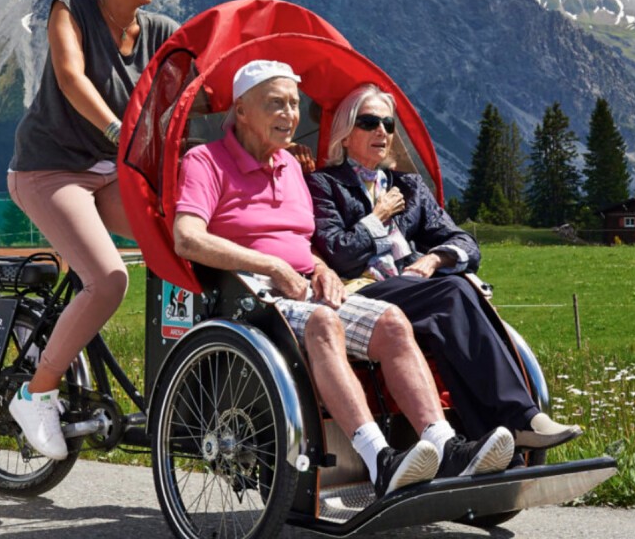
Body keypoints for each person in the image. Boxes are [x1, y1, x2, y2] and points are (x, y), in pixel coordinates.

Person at [172, 60, 515, 497]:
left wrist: (321, 268)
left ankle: (443, 445)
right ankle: (379, 460)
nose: (289, 115)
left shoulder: (293, 168)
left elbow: (305, 243)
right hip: (250, 294)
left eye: (294, 104)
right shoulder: (205, 161)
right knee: (323, 323)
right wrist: (272, 267)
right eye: (275, 104)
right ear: (240, 110)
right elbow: (187, 238)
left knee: (392, 321)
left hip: (305, 285)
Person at [306, 84, 582, 450]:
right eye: (369, 122)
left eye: (388, 124)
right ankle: (518, 419)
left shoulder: (410, 186)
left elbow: (466, 244)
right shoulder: (325, 185)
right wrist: (377, 218)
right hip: (364, 290)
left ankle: (502, 429)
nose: (382, 132)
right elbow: (338, 253)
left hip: (414, 286)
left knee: (462, 288)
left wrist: (434, 258)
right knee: (453, 292)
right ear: (344, 133)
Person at [6, 0, 179, 460]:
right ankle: (35, 392)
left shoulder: (159, 31)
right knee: (107, 279)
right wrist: (119, 134)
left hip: (109, 172)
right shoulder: (72, 10)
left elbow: (201, 83)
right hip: (49, 170)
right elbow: (71, 77)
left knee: (180, 238)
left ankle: (178, 383)